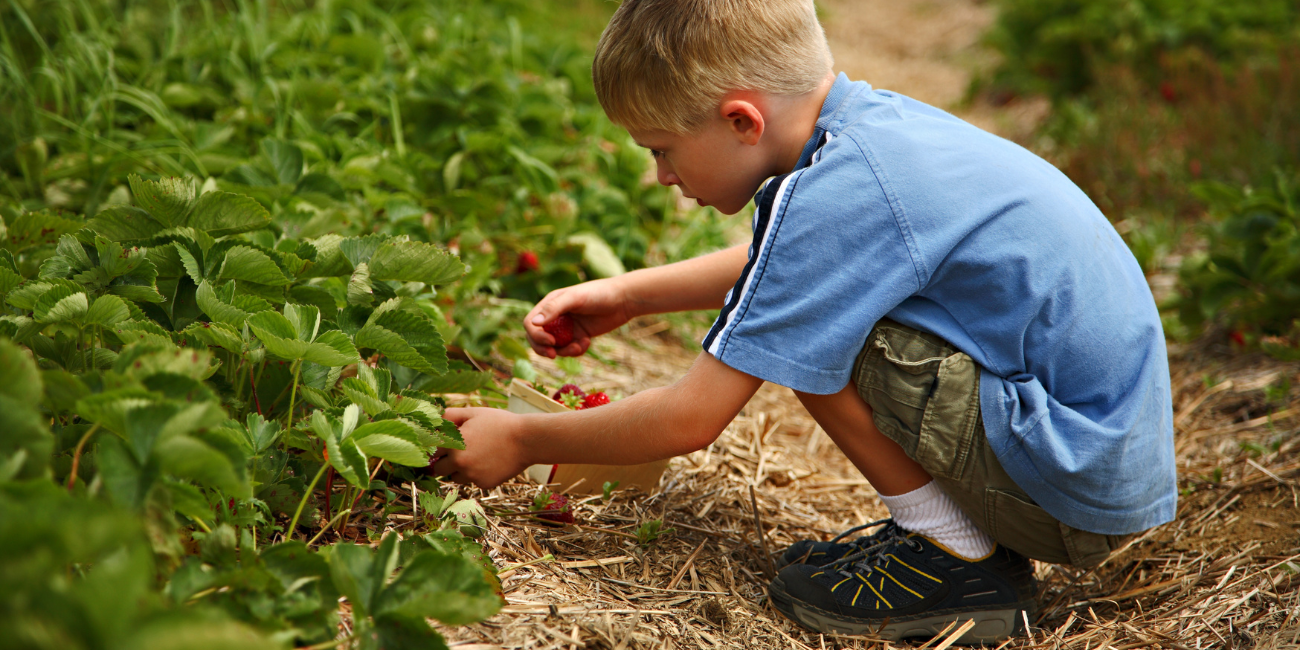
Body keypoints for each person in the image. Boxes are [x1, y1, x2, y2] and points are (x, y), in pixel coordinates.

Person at [433, 0, 1176, 642]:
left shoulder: (842, 189)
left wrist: (526, 439)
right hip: (1092, 454)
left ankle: (956, 559)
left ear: (740, 120)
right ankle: (954, 537)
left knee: (817, 339)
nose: (661, 177)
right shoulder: (872, 132)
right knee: (810, 310)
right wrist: (631, 295)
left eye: (661, 151)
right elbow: (799, 261)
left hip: (1071, 486)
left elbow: (692, 420)